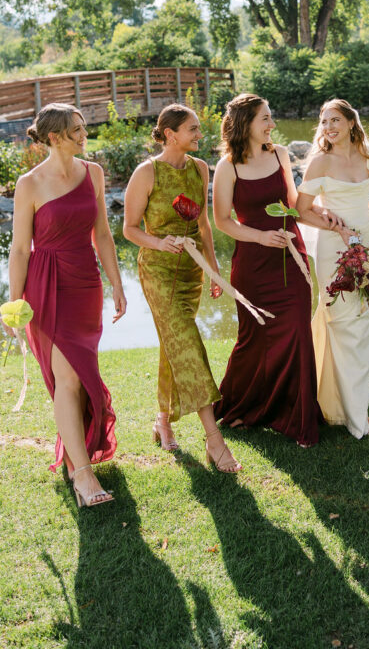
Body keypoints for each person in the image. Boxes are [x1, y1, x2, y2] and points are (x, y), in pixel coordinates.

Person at [8, 103, 126, 507]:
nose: (84, 135)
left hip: (86, 283)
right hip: (46, 286)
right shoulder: (29, 184)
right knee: (68, 378)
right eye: (76, 130)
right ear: (54, 137)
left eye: (83, 128)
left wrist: (117, 283)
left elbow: (103, 235)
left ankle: (76, 452)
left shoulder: (93, 173)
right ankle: (82, 474)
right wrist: (14, 302)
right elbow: (19, 249)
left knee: (79, 371)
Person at [123, 103, 241, 473]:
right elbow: (129, 228)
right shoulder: (146, 173)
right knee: (187, 343)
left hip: (191, 272)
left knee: (174, 343)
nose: (200, 134)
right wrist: (159, 243)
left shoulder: (200, 168)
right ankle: (214, 439)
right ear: (170, 134)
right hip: (158, 272)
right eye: (193, 129)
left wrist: (214, 269)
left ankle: (163, 421)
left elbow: (203, 224)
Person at [212, 93, 329, 446]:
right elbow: (222, 220)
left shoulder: (279, 154)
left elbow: (292, 204)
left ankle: (298, 416)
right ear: (245, 123)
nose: (272, 124)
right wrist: (260, 237)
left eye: (270, 117)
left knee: (296, 332)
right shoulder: (228, 167)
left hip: (291, 256)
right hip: (253, 263)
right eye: (265, 118)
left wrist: (325, 215)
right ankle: (245, 404)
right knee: (253, 338)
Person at [297, 99, 369, 439]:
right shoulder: (320, 162)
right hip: (335, 249)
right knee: (345, 323)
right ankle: (355, 415)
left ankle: (351, 389)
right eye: (324, 121)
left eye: (335, 120)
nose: (328, 127)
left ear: (351, 122)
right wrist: (336, 227)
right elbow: (302, 210)